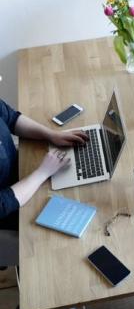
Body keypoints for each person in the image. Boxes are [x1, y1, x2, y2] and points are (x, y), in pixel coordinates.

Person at [0, 99, 88, 267]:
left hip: (24, 175)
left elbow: (11, 118)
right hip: (13, 212)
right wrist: (43, 172)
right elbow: (2, 204)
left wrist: (51, 134)